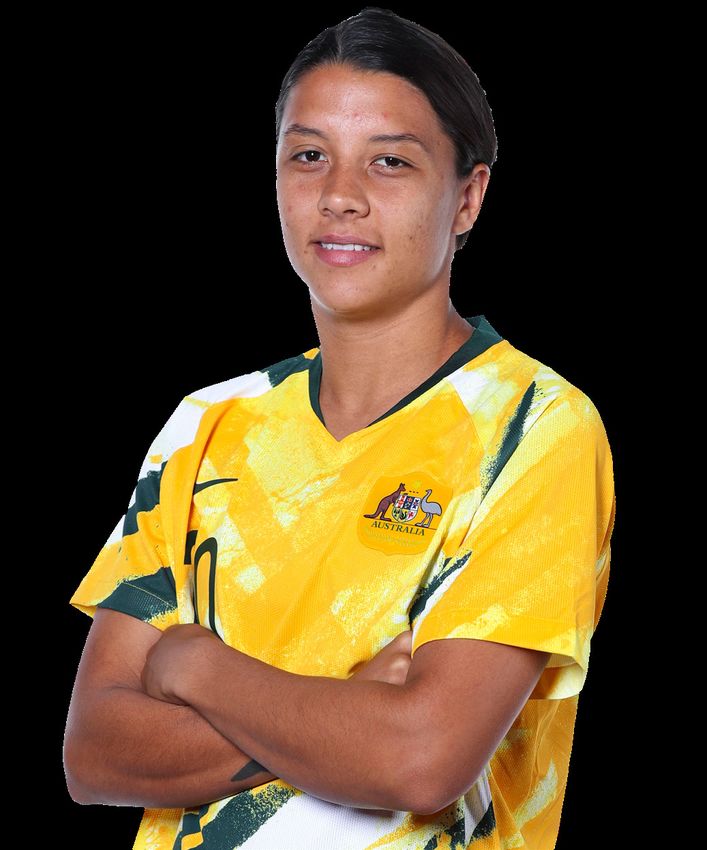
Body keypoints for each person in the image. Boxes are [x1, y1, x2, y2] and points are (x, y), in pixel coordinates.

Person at [63, 7, 616, 849]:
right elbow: (96, 753)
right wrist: (350, 712)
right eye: (308, 156)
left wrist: (193, 665)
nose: (339, 197)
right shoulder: (207, 426)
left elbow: (419, 759)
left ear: (467, 198)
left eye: (390, 161)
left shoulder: (533, 428)